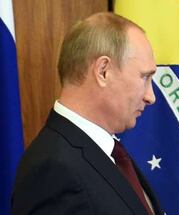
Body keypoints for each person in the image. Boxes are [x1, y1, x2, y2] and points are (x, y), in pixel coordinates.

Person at [12, 12, 163, 215]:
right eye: (144, 77)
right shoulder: (54, 170)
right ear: (103, 71)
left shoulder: (109, 153)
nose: (150, 97)